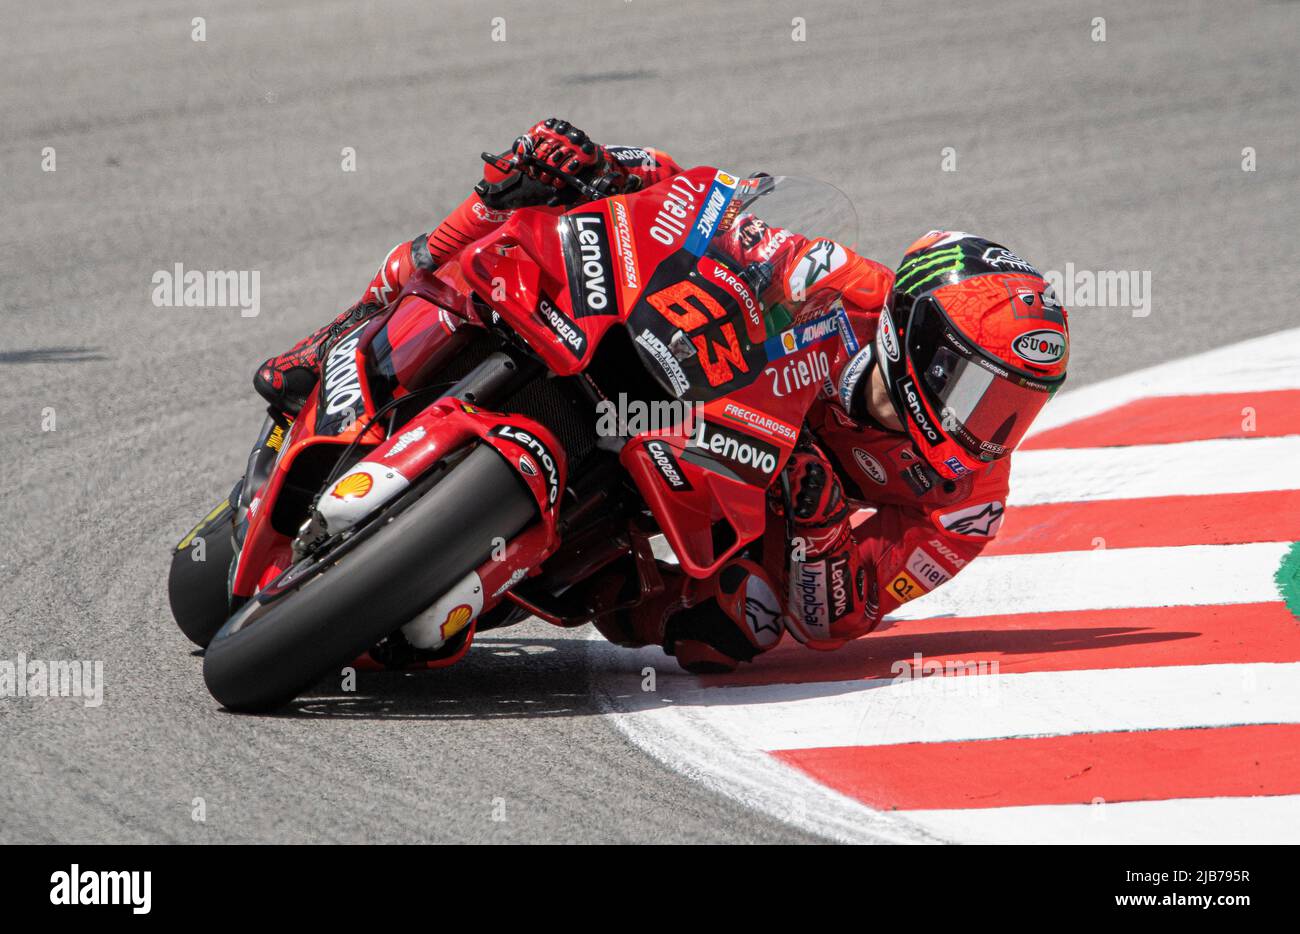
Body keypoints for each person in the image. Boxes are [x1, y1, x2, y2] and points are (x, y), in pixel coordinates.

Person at [252, 118, 1070, 673]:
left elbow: (836, 618)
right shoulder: (850, 286)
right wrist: (610, 166)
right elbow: (712, 204)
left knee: (734, 630)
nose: (988, 426)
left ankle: (525, 568)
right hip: (697, 391)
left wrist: (818, 525)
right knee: (523, 201)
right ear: (915, 336)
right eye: (977, 389)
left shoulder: (968, 507)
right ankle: (337, 335)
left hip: (757, 513)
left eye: (1014, 408)